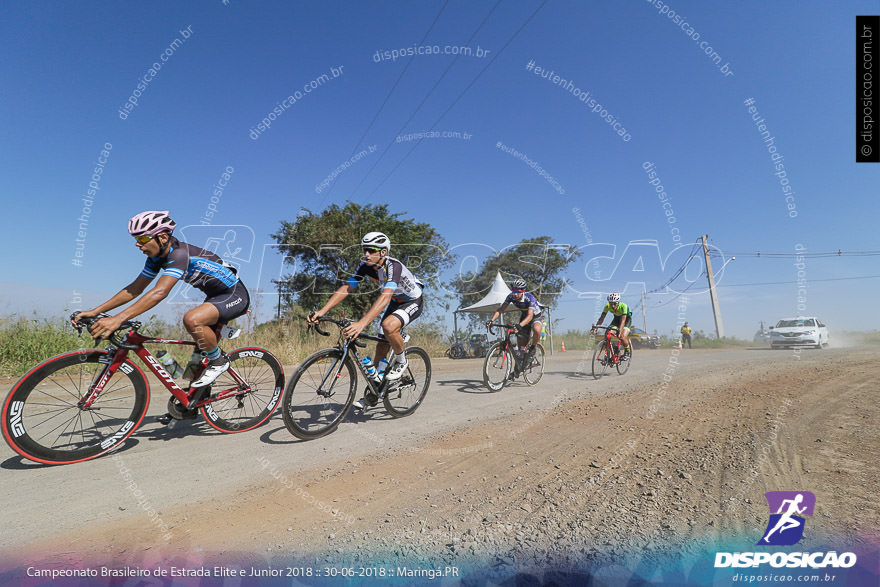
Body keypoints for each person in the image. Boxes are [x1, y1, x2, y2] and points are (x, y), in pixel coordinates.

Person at [72, 211, 249, 390]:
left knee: (192, 319)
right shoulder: (155, 258)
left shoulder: (179, 254)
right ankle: (190, 403)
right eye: (135, 239)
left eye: (142, 239)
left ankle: (219, 361)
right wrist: (94, 311)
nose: (137, 245)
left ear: (163, 237)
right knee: (193, 368)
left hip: (234, 295)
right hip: (213, 297)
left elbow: (160, 292)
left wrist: (117, 319)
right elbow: (134, 289)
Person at [307, 232, 424, 410]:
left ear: (383, 252)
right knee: (380, 351)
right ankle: (374, 393)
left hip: (411, 301)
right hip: (395, 302)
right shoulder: (365, 266)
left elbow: (385, 297)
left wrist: (362, 323)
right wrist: (321, 311)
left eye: (371, 250)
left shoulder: (394, 266)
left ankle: (401, 360)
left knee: (388, 326)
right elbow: (347, 287)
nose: (366, 254)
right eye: (365, 250)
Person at [486, 278, 544, 361]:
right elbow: (501, 309)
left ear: (523, 291)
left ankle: (533, 348)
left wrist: (520, 325)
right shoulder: (510, 297)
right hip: (524, 316)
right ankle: (520, 363)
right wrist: (491, 320)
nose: (515, 294)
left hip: (535, 316)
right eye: (514, 291)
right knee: (519, 337)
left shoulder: (530, 298)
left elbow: (530, 316)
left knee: (537, 329)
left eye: (517, 292)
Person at [590, 292, 632, 360]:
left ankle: (627, 352)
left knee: (621, 336)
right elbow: (602, 318)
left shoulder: (624, 306)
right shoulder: (607, 306)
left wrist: (620, 331)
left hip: (626, 320)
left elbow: (623, 321)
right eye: (611, 303)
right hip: (616, 320)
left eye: (614, 303)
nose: (612, 306)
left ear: (618, 302)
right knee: (607, 334)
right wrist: (596, 328)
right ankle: (613, 349)